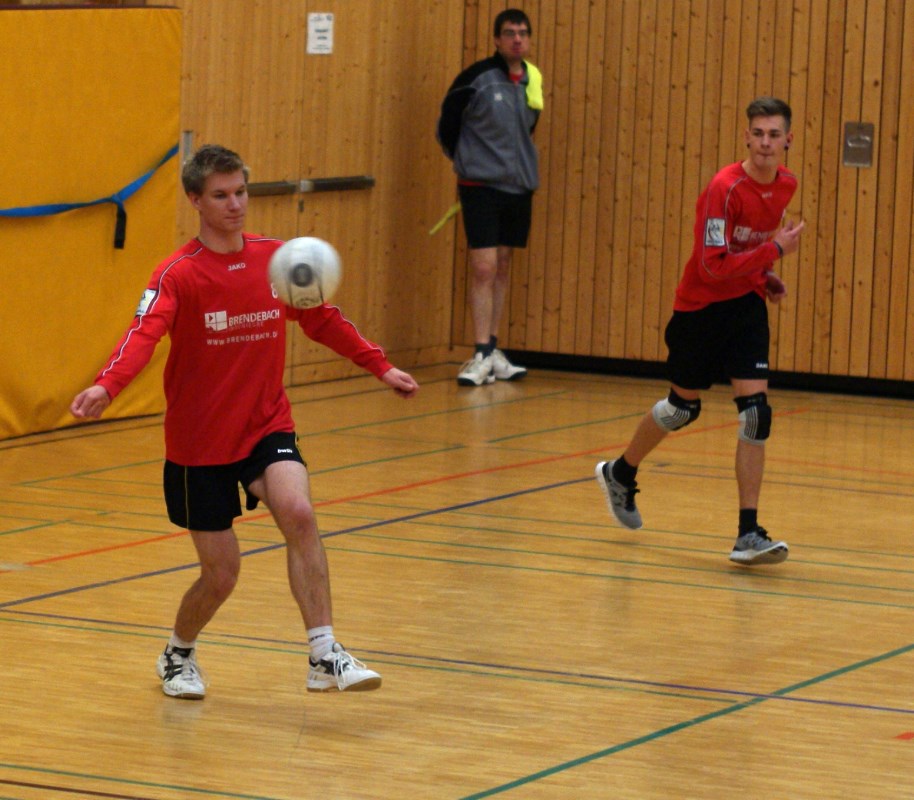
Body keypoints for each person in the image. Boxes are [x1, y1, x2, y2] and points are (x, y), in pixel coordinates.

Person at [70, 144, 419, 699]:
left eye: (241, 193)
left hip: (264, 426)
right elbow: (143, 335)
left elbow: (321, 319)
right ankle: (178, 653)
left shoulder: (278, 261)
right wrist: (106, 386)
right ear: (195, 200)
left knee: (299, 512)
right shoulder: (177, 274)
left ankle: (324, 653)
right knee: (222, 575)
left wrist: (380, 366)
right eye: (220, 196)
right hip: (198, 444)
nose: (235, 205)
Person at [595, 97, 805, 566]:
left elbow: (743, 254)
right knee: (681, 408)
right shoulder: (723, 190)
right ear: (746, 137)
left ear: (788, 139)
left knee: (756, 415)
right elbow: (712, 267)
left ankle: (748, 533)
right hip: (701, 311)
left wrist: (762, 277)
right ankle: (620, 472)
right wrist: (772, 253)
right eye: (758, 133)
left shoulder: (786, 185)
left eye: (775, 134)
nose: (766, 142)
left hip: (745, 309)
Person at [437, 7, 542, 386]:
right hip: (480, 186)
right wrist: (467, 161)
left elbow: (529, 127)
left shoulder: (532, 79)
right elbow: (448, 124)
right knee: (482, 267)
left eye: (523, 33)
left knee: (501, 265)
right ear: (497, 40)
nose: (517, 39)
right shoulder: (475, 79)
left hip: (518, 186)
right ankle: (479, 352)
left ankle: (494, 349)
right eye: (510, 33)